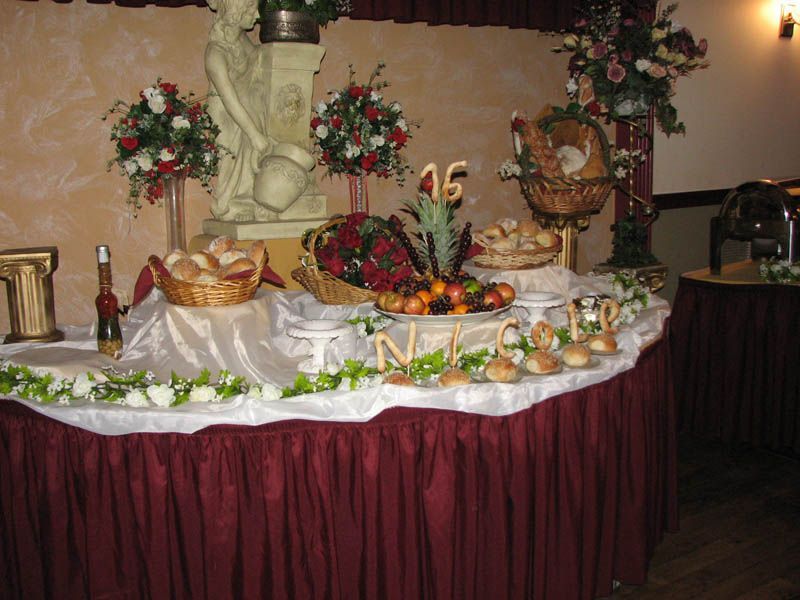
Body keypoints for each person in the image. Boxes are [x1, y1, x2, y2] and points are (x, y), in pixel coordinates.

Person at [205, 0, 275, 221]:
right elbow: (229, 100)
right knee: (231, 160)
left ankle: (249, 200)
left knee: (251, 162)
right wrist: (254, 135)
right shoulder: (214, 54)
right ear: (236, 11)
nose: (256, 15)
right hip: (227, 116)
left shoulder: (243, 41)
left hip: (250, 110)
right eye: (250, 9)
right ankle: (227, 206)